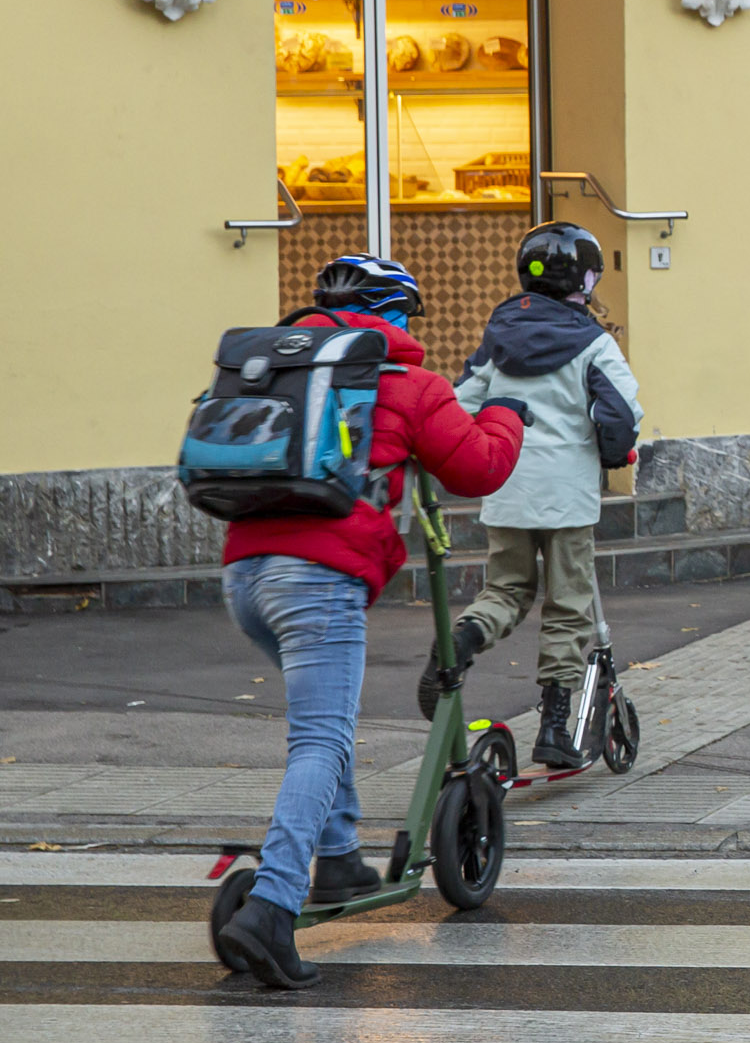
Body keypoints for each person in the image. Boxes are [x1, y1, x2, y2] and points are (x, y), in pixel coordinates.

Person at [219, 254, 526, 990]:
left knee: (323, 720)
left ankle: (338, 860)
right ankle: (272, 905)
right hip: (317, 578)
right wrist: (507, 415)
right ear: (395, 314)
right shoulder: (407, 382)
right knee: (320, 739)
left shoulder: (278, 367)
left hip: (243, 571)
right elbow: (478, 468)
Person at [426, 223, 645, 768]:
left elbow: (459, 401)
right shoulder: (594, 342)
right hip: (566, 497)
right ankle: (552, 726)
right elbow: (621, 412)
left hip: (505, 485)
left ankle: (462, 641)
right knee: (568, 606)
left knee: (505, 591)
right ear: (586, 280)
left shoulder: (498, 337)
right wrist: (615, 450)